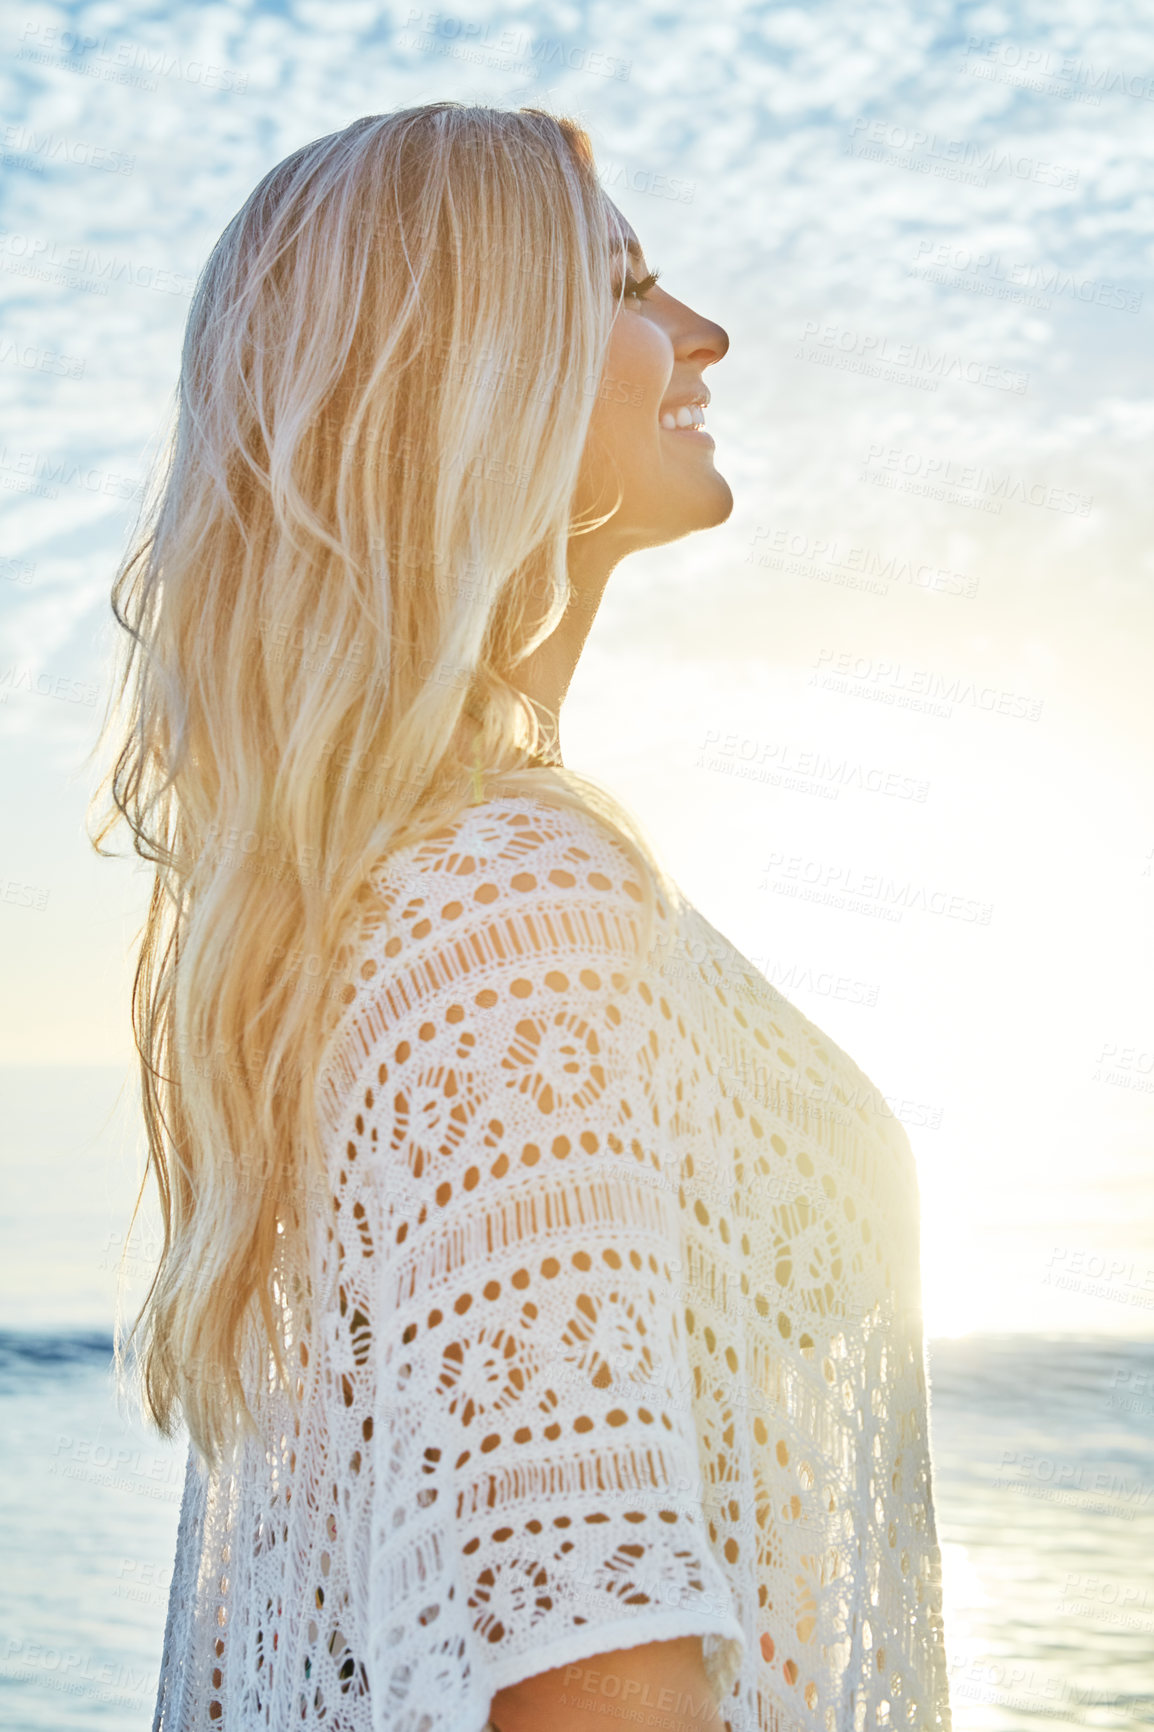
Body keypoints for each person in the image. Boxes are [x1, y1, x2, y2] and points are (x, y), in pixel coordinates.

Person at [88, 102, 952, 1732]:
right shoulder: (512, 922)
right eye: (624, 285)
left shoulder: (385, 911)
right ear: (469, 369)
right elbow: (585, 1663)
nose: (704, 331)